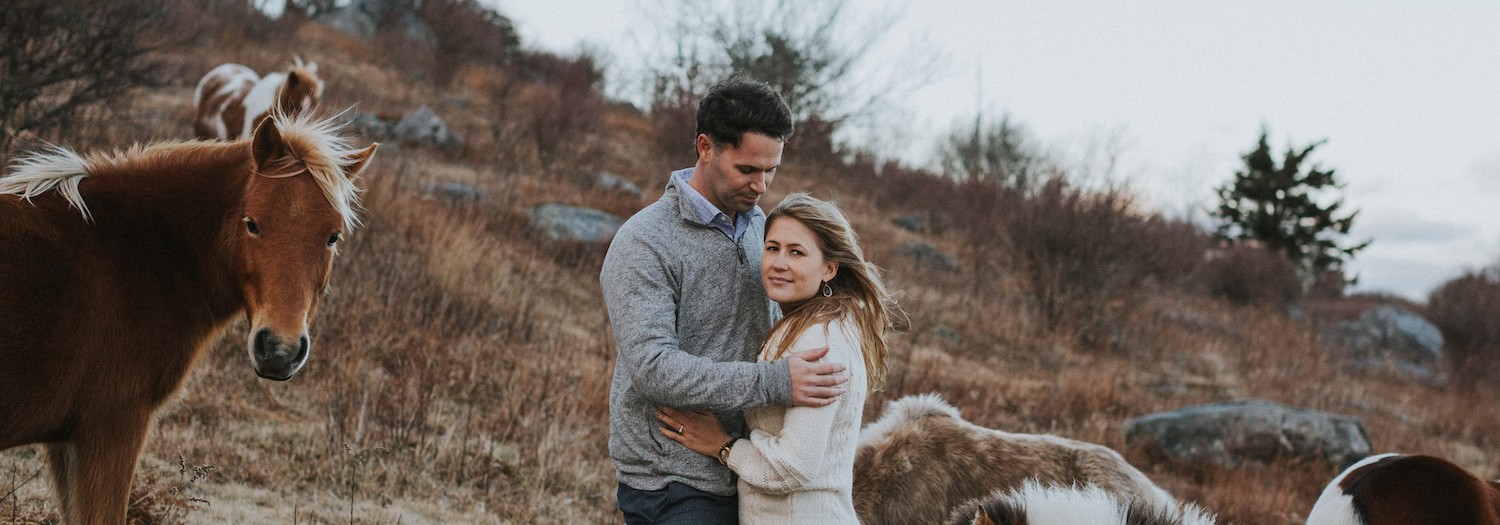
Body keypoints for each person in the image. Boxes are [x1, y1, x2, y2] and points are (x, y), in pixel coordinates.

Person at [599, 78, 850, 525]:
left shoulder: (763, 231)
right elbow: (653, 368)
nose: (761, 185)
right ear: (705, 147)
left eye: (771, 170)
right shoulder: (644, 243)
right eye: (747, 169)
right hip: (674, 476)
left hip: (748, 465)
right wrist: (774, 382)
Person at [657, 192, 898, 524]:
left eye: (797, 252)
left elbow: (793, 466)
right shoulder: (808, 325)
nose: (779, 263)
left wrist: (721, 445)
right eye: (772, 248)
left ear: (829, 268)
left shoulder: (820, 338)